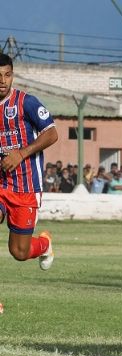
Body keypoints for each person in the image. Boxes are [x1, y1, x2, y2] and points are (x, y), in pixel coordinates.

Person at [0, 53, 57, 271]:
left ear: (12, 76)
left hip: (25, 186)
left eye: (7, 75)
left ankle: (44, 244)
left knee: (19, 252)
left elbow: (51, 134)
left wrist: (21, 154)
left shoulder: (26, 102)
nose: (2, 80)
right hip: (1, 183)